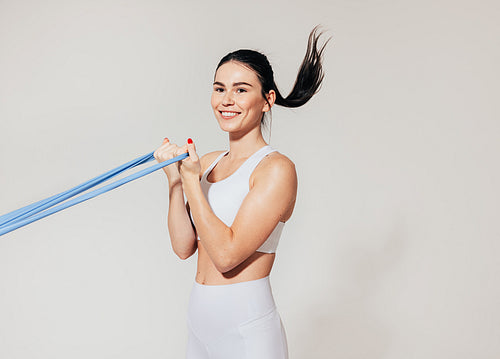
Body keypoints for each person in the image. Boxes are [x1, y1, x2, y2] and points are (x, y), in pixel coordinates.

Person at [154, 26, 329, 359]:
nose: (226, 100)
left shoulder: (276, 169)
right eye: (220, 88)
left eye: (241, 89)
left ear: (267, 101)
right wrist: (175, 182)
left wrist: (191, 182)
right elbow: (183, 247)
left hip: (246, 329)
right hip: (199, 324)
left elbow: (226, 255)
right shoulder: (205, 162)